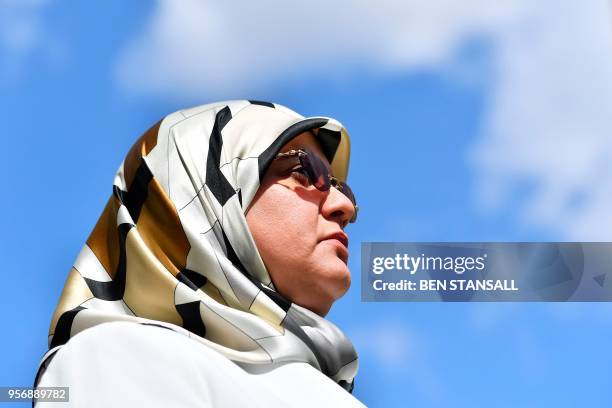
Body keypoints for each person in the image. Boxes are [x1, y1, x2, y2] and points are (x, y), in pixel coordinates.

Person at [33, 100, 364, 407]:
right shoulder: (117, 357)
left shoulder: (327, 390)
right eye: (304, 171)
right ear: (198, 193)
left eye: (340, 187)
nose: (345, 207)